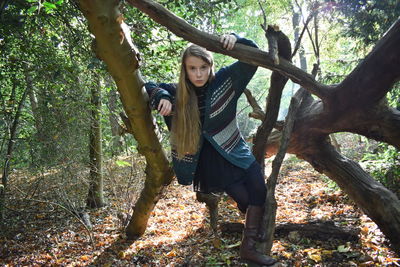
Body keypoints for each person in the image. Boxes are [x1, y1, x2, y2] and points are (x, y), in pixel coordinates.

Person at [145, 33, 276, 266]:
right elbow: (151, 86)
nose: (198, 74)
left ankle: (250, 242)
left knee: (259, 188)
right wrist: (162, 98)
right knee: (246, 199)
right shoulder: (178, 92)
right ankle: (251, 244)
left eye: (203, 67)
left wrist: (236, 40)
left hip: (233, 147)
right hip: (209, 160)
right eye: (192, 68)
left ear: (210, 66)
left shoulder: (225, 80)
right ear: (185, 70)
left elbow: (252, 57)